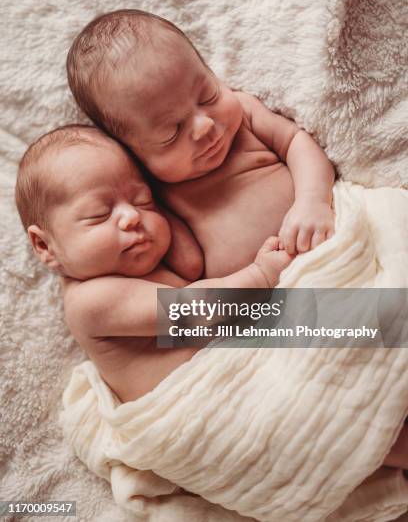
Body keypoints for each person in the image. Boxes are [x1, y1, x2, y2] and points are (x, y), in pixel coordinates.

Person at [15, 124, 294, 403]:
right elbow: (192, 312)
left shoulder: (147, 263)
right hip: (188, 403)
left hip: (228, 375)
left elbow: (191, 262)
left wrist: (161, 208)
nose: (131, 217)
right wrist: (261, 276)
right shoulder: (89, 301)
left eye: (143, 201)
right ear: (44, 246)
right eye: (99, 214)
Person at [66, 9, 336, 279]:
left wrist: (313, 200)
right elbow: (189, 265)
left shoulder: (244, 115)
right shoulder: (152, 191)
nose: (204, 125)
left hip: (330, 239)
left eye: (208, 96)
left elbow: (297, 142)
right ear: (134, 152)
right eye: (171, 132)